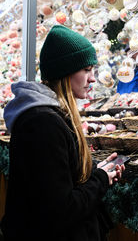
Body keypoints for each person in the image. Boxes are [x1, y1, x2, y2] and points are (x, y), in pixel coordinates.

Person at [0, 25, 125, 241]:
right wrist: (100, 179)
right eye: (86, 70)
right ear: (65, 72)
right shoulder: (43, 123)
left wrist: (96, 170)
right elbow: (61, 210)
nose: (93, 78)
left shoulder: (51, 117)